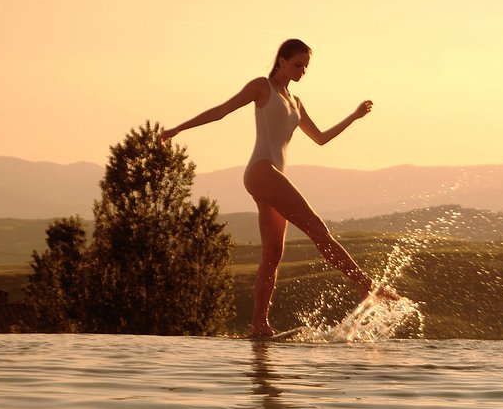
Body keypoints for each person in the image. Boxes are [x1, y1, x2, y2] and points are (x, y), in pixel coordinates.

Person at [161, 39, 400, 337]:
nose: (302, 71)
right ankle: (366, 286)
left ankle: (259, 325)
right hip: (262, 171)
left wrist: (354, 116)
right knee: (317, 228)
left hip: (271, 177)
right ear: (282, 61)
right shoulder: (262, 87)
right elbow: (221, 111)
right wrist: (177, 129)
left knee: (273, 255)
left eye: (306, 67)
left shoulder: (296, 102)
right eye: (298, 64)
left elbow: (321, 138)